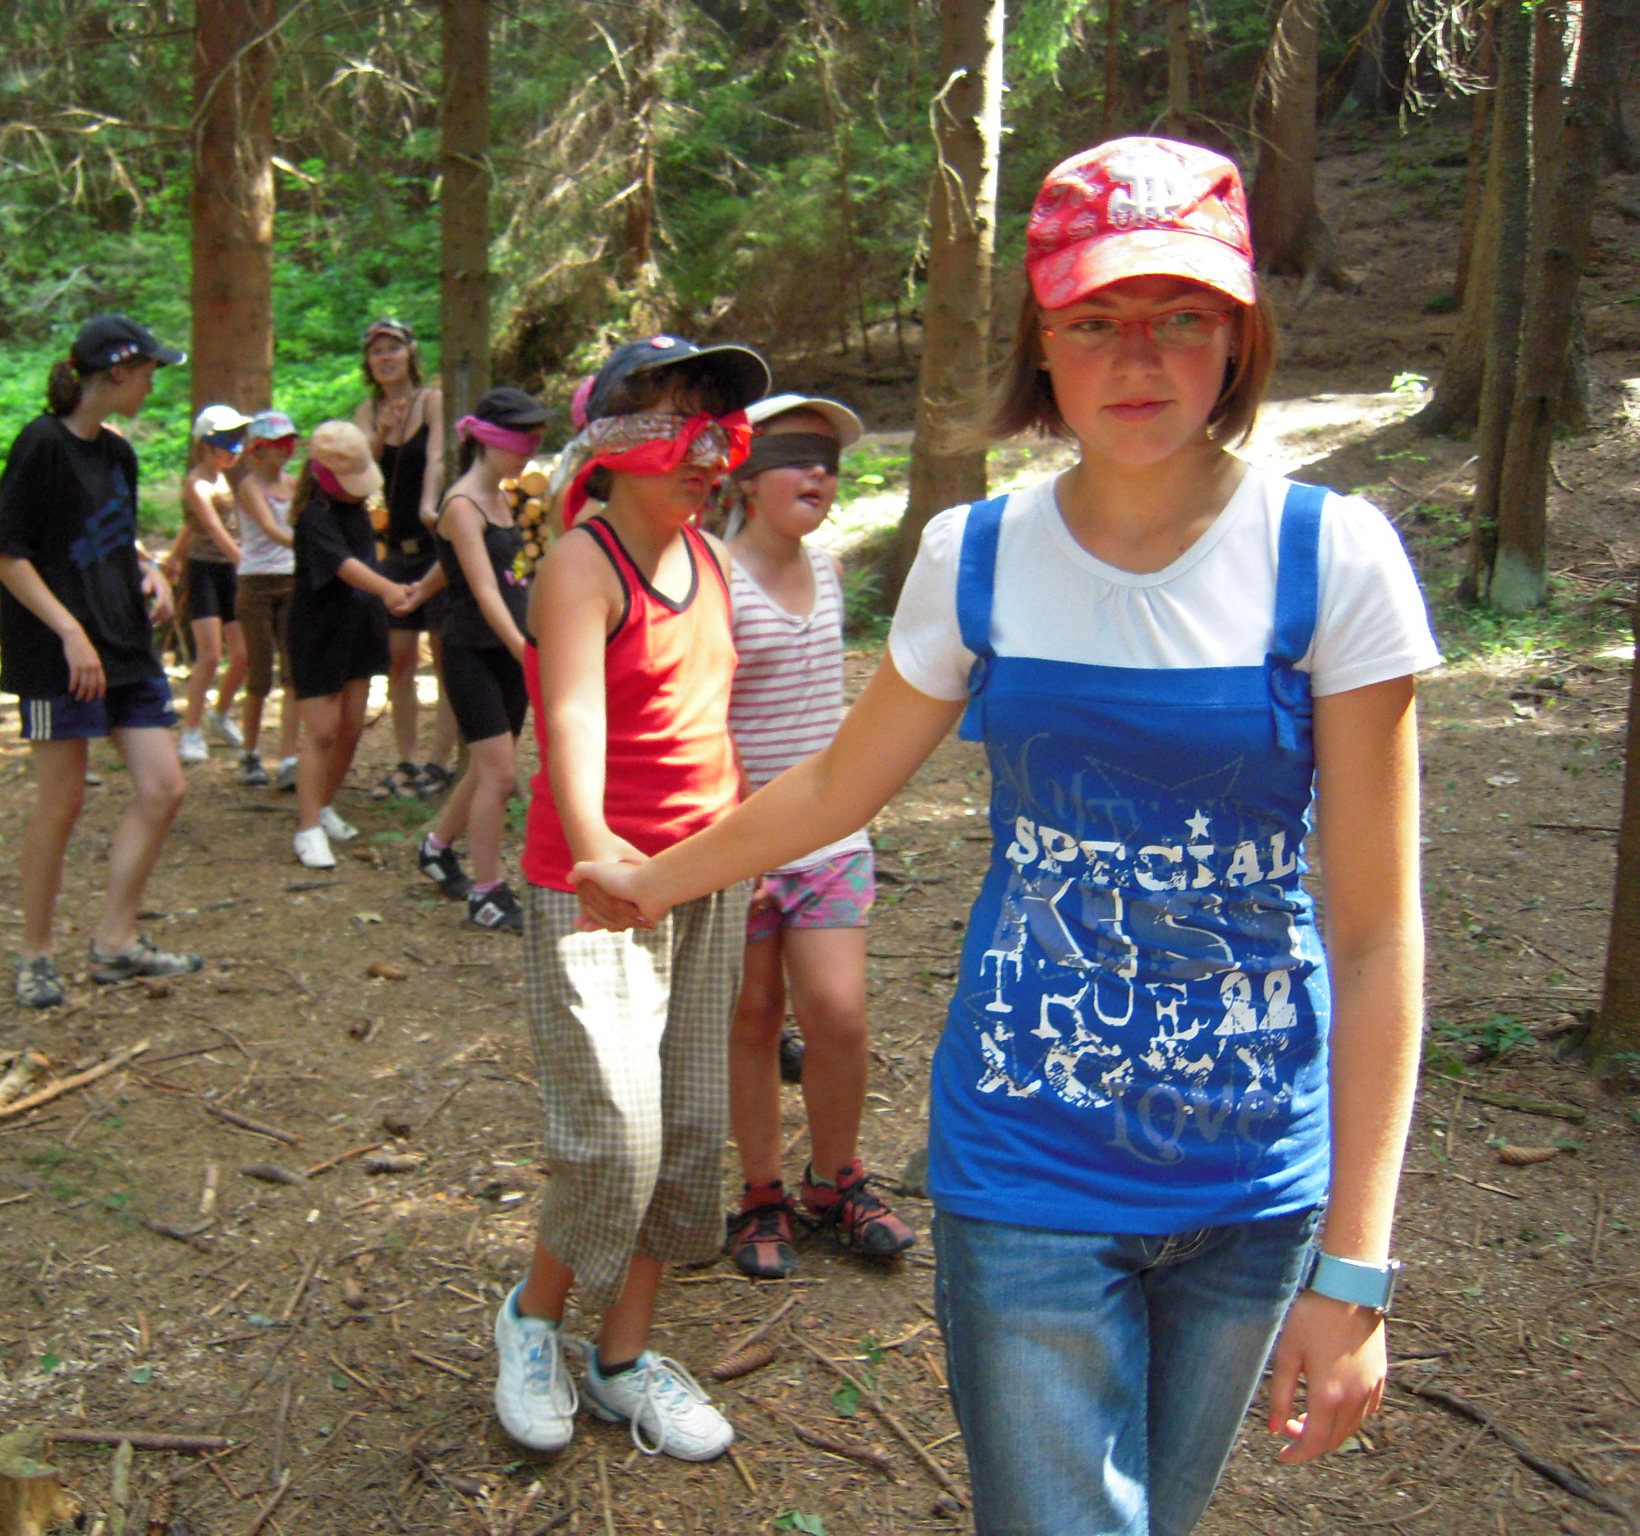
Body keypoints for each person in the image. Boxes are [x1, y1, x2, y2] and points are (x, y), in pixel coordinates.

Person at [574, 137, 1438, 1533]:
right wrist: (650, 881)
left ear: (1239, 334)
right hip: (1027, 1158)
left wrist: (1355, 1265)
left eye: (1180, 316)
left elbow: (1377, 931)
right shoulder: (975, 556)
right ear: (1042, 341)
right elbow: (833, 787)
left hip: (1253, 1177)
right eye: (1094, 321)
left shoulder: (1330, 557)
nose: (1136, 357)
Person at [491, 334, 771, 1464]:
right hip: (597, 890)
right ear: (612, 442)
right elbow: (568, 716)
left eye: (723, 430)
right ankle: (532, 1321)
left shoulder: (713, 560)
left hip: (704, 881)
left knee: (689, 1131)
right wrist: (601, 849)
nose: (710, 455)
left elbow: (707, 719)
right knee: (616, 1136)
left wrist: (745, 844)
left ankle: (620, 1360)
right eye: (683, 427)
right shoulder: (581, 564)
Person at [716, 394, 917, 1281]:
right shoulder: (714, 578)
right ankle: (761, 1192)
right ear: (746, 479)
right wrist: (736, 842)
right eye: (796, 458)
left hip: (831, 836)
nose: (818, 476)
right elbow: (700, 714)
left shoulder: (829, 572)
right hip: (740, 837)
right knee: (755, 1014)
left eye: (829, 464)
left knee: (836, 1012)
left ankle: (836, 1180)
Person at [0, 314, 205, 1009]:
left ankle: (116, 942)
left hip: (125, 646)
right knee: (63, 801)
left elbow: (112, 535)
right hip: (58, 655)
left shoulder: (118, 454)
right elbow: (8, 554)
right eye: (148, 373)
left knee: (163, 787)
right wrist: (69, 631)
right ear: (115, 372)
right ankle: (35, 953)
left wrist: (149, 570)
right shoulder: (41, 444)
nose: (152, 386)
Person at [407, 387, 551, 933]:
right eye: (521, 441)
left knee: (491, 764)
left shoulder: (502, 498)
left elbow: (459, 563)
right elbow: (484, 588)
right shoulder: (462, 504)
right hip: (473, 651)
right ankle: (487, 893)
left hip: (508, 648)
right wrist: (523, 648)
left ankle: (437, 846)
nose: (529, 452)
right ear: (487, 442)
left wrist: (418, 590)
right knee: (499, 773)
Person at [288, 419, 419, 868]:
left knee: (350, 727)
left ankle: (324, 804)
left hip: (360, 626)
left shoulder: (359, 511)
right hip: (319, 632)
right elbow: (343, 566)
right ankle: (307, 828)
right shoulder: (314, 517)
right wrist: (388, 590)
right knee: (322, 730)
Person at [352, 317, 458, 797]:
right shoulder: (367, 411)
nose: (385, 358)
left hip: (431, 542)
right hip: (392, 548)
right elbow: (362, 470)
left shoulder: (431, 400)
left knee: (443, 652)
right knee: (398, 658)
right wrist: (381, 433)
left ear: (410, 353)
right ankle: (407, 758)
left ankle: (441, 760)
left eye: (393, 348)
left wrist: (428, 506)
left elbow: (436, 456)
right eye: (377, 351)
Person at [168, 404, 253, 766]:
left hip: (230, 571)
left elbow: (191, 526)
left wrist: (173, 555)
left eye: (238, 440)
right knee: (210, 655)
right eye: (227, 441)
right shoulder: (196, 483)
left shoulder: (222, 478)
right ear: (206, 444)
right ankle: (191, 729)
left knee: (243, 654)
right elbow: (211, 528)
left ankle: (219, 715)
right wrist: (245, 561)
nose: (236, 448)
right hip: (205, 571)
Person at [232, 410, 302, 789]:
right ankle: (250, 752)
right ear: (256, 451)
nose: (284, 450)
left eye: (288, 442)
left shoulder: (295, 484)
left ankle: (289, 758)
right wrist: (311, 547)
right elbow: (271, 528)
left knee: (293, 672)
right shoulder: (249, 486)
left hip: (291, 580)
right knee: (259, 670)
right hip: (256, 583)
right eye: (275, 444)